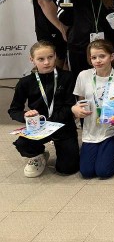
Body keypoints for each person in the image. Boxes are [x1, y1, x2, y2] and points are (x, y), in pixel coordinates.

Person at [9, 41, 79, 177]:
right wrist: (25, 115)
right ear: (32, 60)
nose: (47, 62)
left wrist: (51, 121)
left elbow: (69, 106)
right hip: (38, 127)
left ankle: (64, 148)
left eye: (50, 57)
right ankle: (38, 155)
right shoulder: (25, 82)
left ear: (55, 56)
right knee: (22, 143)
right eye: (41, 59)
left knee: (67, 169)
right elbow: (14, 110)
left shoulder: (67, 77)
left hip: (63, 125)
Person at [72, 40, 114, 178]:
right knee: (87, 172)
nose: (98, 61)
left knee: (103, 171)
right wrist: (76, 109)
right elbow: (80, 102)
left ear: (111, 56)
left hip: (112, 130)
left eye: (102, 56)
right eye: (94, 57)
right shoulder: (84, 75)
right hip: (91, 130)